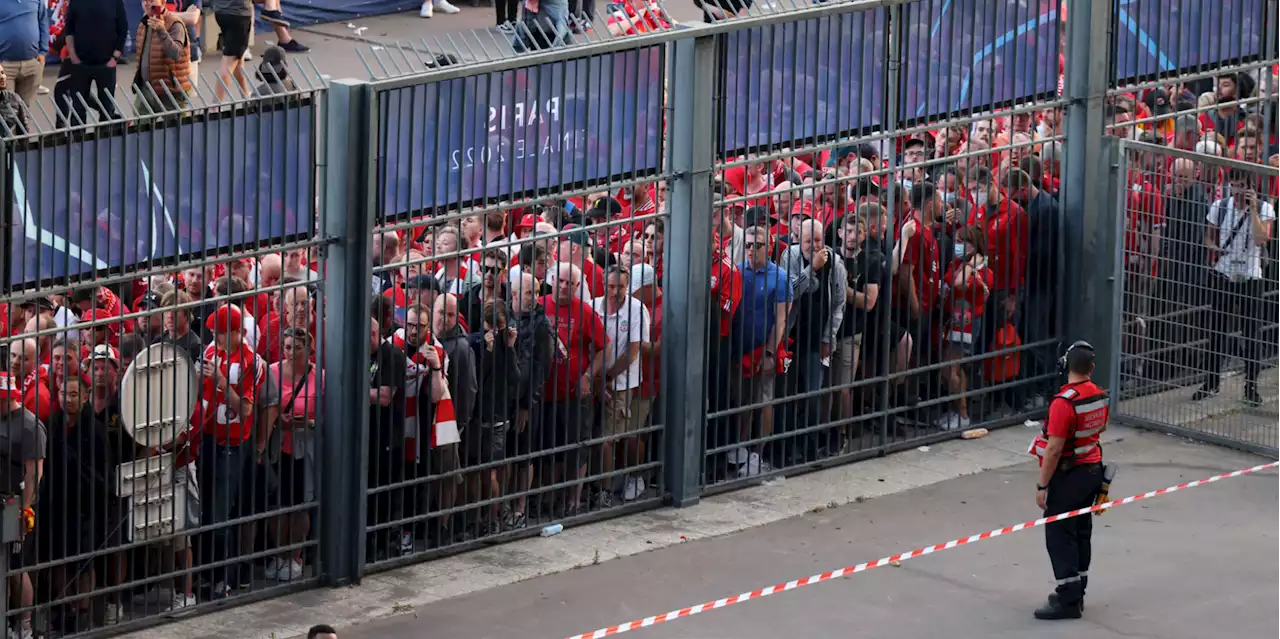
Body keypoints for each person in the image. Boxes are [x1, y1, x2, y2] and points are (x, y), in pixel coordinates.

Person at [1031, 340, 1108, 620]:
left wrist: (1042, 485)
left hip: (1069, 475)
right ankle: (1078, 591)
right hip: (1093, 471)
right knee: (1081, 531)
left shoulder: (1064, 403)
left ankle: (1067, 600)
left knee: (1059, 535)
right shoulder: (1099, 396)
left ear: (1066, 367)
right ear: (1092, 367)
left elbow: (1053, 449)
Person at [1194, 168, 1274, 407]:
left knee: (1252, 334)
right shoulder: (1219, 207)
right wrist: (1215, 249)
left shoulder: (1264, 209)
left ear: (1251, 188)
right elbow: (1208, 237)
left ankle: (1251, 386)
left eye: (1242, 186)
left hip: (1250, 276)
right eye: (1234, 185)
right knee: (1217, 331)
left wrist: (1252, 211)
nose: (1237, 191)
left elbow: (1261, 239)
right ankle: (1211, 382)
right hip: (1224, 273)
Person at [0, 371, 45, 639]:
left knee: (16, 568)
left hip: (15, 503)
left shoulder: (29, 425)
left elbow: (33, 473)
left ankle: (25, 624)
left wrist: (24, 510)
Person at [57, 0, 127, 125]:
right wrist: (73, 55)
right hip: (80, 65)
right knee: (78, 110)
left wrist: (114, 58)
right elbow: (69, 30)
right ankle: (77, 142)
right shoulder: (76, 2)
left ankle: (106, 140)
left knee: (107, 110)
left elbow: (123, 29)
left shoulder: (116, 2)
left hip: (106, 65)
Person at [134, 0, 193, 113]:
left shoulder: (174, 24)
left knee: (176, 128)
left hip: (170, 92)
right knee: (140, 128)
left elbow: (176, 54)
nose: (147, 4)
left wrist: (161, 30)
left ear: (163, 3)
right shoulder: (144, 23)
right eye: (144, 0)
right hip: (146, 89)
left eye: (152, 1)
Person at [0, 0, 49, 106]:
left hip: (32, 63)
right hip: (4, 65)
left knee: (25, 111)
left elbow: (43, 23)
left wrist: (43, 52)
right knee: (7, 111)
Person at [211, 0, 252, 100]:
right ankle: (215, 106)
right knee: (230, 60)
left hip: (221, 12)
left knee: (237, 56)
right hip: (238, 14)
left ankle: (245, 93)